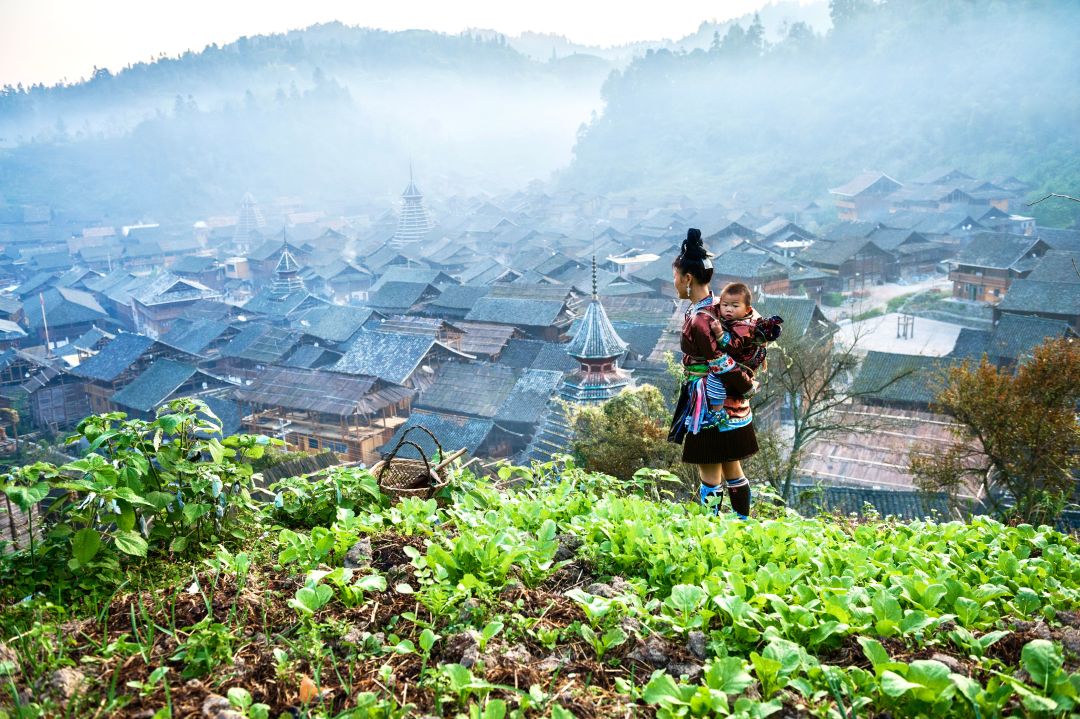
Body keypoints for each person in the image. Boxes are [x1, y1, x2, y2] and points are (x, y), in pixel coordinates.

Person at [667, 229, 759, 519]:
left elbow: (718, 361)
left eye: (676, 277)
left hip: (708, 401)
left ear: (688, 279)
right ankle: (743, 523)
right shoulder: (723, 307)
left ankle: (710, 527)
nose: (675, 283)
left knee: (709, 471)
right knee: (732, 467)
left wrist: (745, 384)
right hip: (732, 403)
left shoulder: (699, 318)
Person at [707, 282, 783, 400]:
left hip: (743, 363)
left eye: (735, 306)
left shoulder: (744, 327)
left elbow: (735, 346)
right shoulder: (734, 319)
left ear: (747, 310)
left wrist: (720, 334)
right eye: (725, 305)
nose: (729, 309)